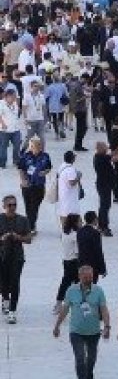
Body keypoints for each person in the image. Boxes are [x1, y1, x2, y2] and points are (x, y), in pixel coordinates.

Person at [53, 264, 111, 379]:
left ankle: (89, 372)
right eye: (85, 277)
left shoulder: (98, 291)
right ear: (79, 277)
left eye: (90, 277)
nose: (88, 279)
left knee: (91, 358)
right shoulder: (71, 290)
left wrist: (107, 326)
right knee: (80, 359)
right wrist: (57, 326)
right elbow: (65, 309)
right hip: (76, 331)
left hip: (93, 332)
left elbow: (104, 310)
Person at [0, 193, 31, 323]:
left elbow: (29, 239)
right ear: (4, 206)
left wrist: (18, 237)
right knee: (3, 282)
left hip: (17, 256)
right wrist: (2, 238)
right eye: (10, 205)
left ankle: (12, 311)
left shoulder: (23, 220)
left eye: (14, 205)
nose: (12, 207)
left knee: (15, 282)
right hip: (2, 255)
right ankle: (5, 298)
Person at [16, 136, 51, 230]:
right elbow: (20, 169)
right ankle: (31, 226)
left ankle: (31, 225)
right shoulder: (25, 156)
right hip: (27, 186)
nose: (34, 148)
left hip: (39, 186)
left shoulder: (45, 156)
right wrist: (23, 180)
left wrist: (44, 172)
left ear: (40, 147)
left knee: (34, 207)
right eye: (32, 146)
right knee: (28, 207)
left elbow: (48, 168)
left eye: (37, 146)